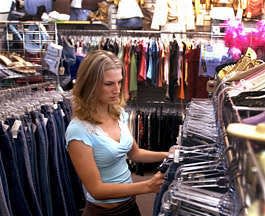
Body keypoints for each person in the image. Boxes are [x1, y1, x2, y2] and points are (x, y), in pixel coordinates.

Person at [65, 50, 169, 216]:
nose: (117, 89)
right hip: (103, 212)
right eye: (109, 84)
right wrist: (147, 186)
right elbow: (97, 189)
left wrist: (166, 154)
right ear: (90, 84)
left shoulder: (118, 113)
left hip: (130, 205)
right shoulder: (78, 130)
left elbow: (135, 153)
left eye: (119, 82)